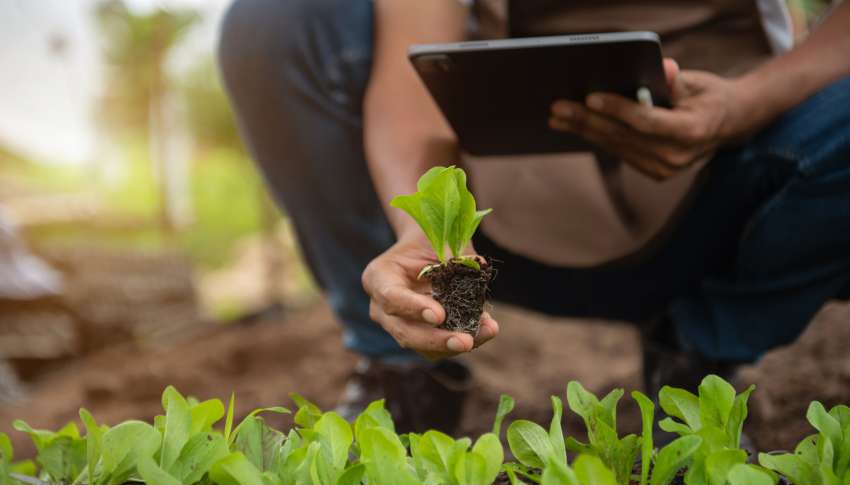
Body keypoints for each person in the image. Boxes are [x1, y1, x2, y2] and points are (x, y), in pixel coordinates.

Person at [218, 0, 850, 434]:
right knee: (278, 23)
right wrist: (424, 231)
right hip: (497, 235)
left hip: (730, 204)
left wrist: (743, 104)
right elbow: (406, 87)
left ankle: (701, 359)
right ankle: (407, 369)